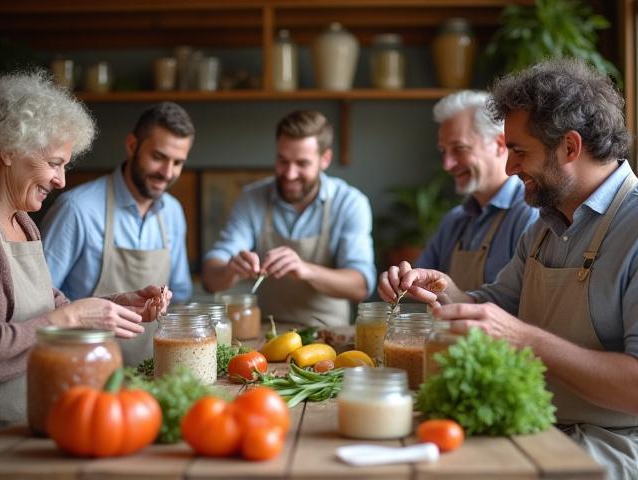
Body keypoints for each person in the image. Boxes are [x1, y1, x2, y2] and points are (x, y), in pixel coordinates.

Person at [379, 59, 638, 480]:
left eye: (519, 151)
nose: (509, 167)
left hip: (615, 444)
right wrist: (445, 292)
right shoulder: (546, 225)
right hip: (538, 425)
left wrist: (523, 338)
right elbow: (496, 306)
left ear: (570, 148)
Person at [0, 71, 170, 426]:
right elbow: (55, 321)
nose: (61, 180)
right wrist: (73, 317)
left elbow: (54, 307)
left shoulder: (24, 226)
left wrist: (117, 305)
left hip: (40, 422)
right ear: (9, 149)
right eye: (54, 163)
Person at [41, 101, 194, 365]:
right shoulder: (77, 209)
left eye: (178, 162)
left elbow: (180, 295)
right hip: (82, 371)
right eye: (158, 157)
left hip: (152, 374)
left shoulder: (173, 212)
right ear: (132, 145)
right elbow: (39, 305)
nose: (167, 173)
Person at [202, 110, 375, 326]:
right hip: (266, 335)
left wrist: (306, 270)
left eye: (302, 163)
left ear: (325, 159)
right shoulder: (251, 198)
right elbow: (210, 278)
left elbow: (360, 286)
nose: (290, 174)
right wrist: (231, 270)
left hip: (329, 337)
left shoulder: (350, 203)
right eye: (283, 161)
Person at [414, 90, 538, 290]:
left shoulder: (529, 215)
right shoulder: (455, 221)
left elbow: (527, 304)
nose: (447, 164)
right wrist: (402, 280)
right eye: (443, 151)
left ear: (499, 144)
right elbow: (416, 285)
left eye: (459, 149)